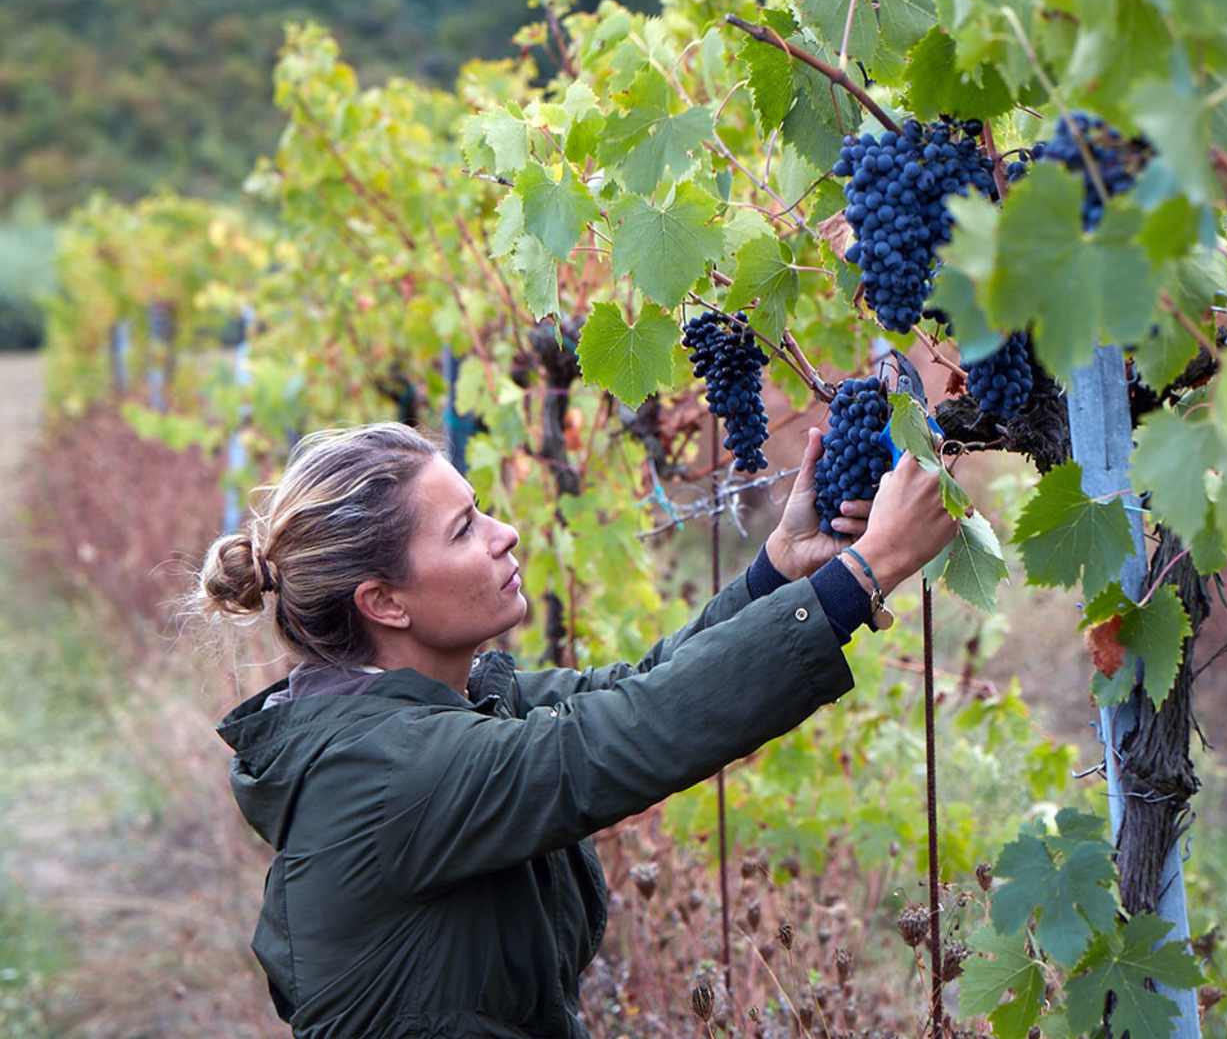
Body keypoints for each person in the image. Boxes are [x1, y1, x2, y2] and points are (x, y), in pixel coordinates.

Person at [195, 421, 957, 1038]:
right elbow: (628, 733)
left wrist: (778, 575)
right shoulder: (386, 771)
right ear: (385, 603)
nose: (507, 533)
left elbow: (633, 690)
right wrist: (868, 569)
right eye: (464, 531)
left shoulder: (433, 714)